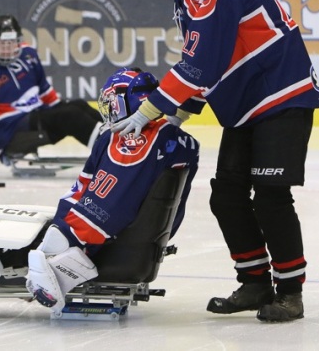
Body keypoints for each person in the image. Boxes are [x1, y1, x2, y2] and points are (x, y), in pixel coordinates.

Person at [111, 0, 319, 322]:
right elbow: (214, 60)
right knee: (226, 194)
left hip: (281, 94)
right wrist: (180, 113)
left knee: (271, 195)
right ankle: (255, 282)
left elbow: (201, 63)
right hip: (248, 101)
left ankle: (290, 291)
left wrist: (153, 110)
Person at [26, 67, 199, 313]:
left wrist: (61, 238)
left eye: (113, 103)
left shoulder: (130, 140)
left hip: (108, 244)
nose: (109, 110)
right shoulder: (179, 140)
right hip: (147, 241)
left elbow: (106, 206)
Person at [0, 14, 102, 181]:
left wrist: (61, 108)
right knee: (71, 116)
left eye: (11, 43)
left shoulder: (28, 54)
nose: (8, 49)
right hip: (11, 134)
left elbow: (43, 88)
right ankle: (110, 154)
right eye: (2, 44)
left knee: (78, 106)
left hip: (34, 115)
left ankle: (118, 139)